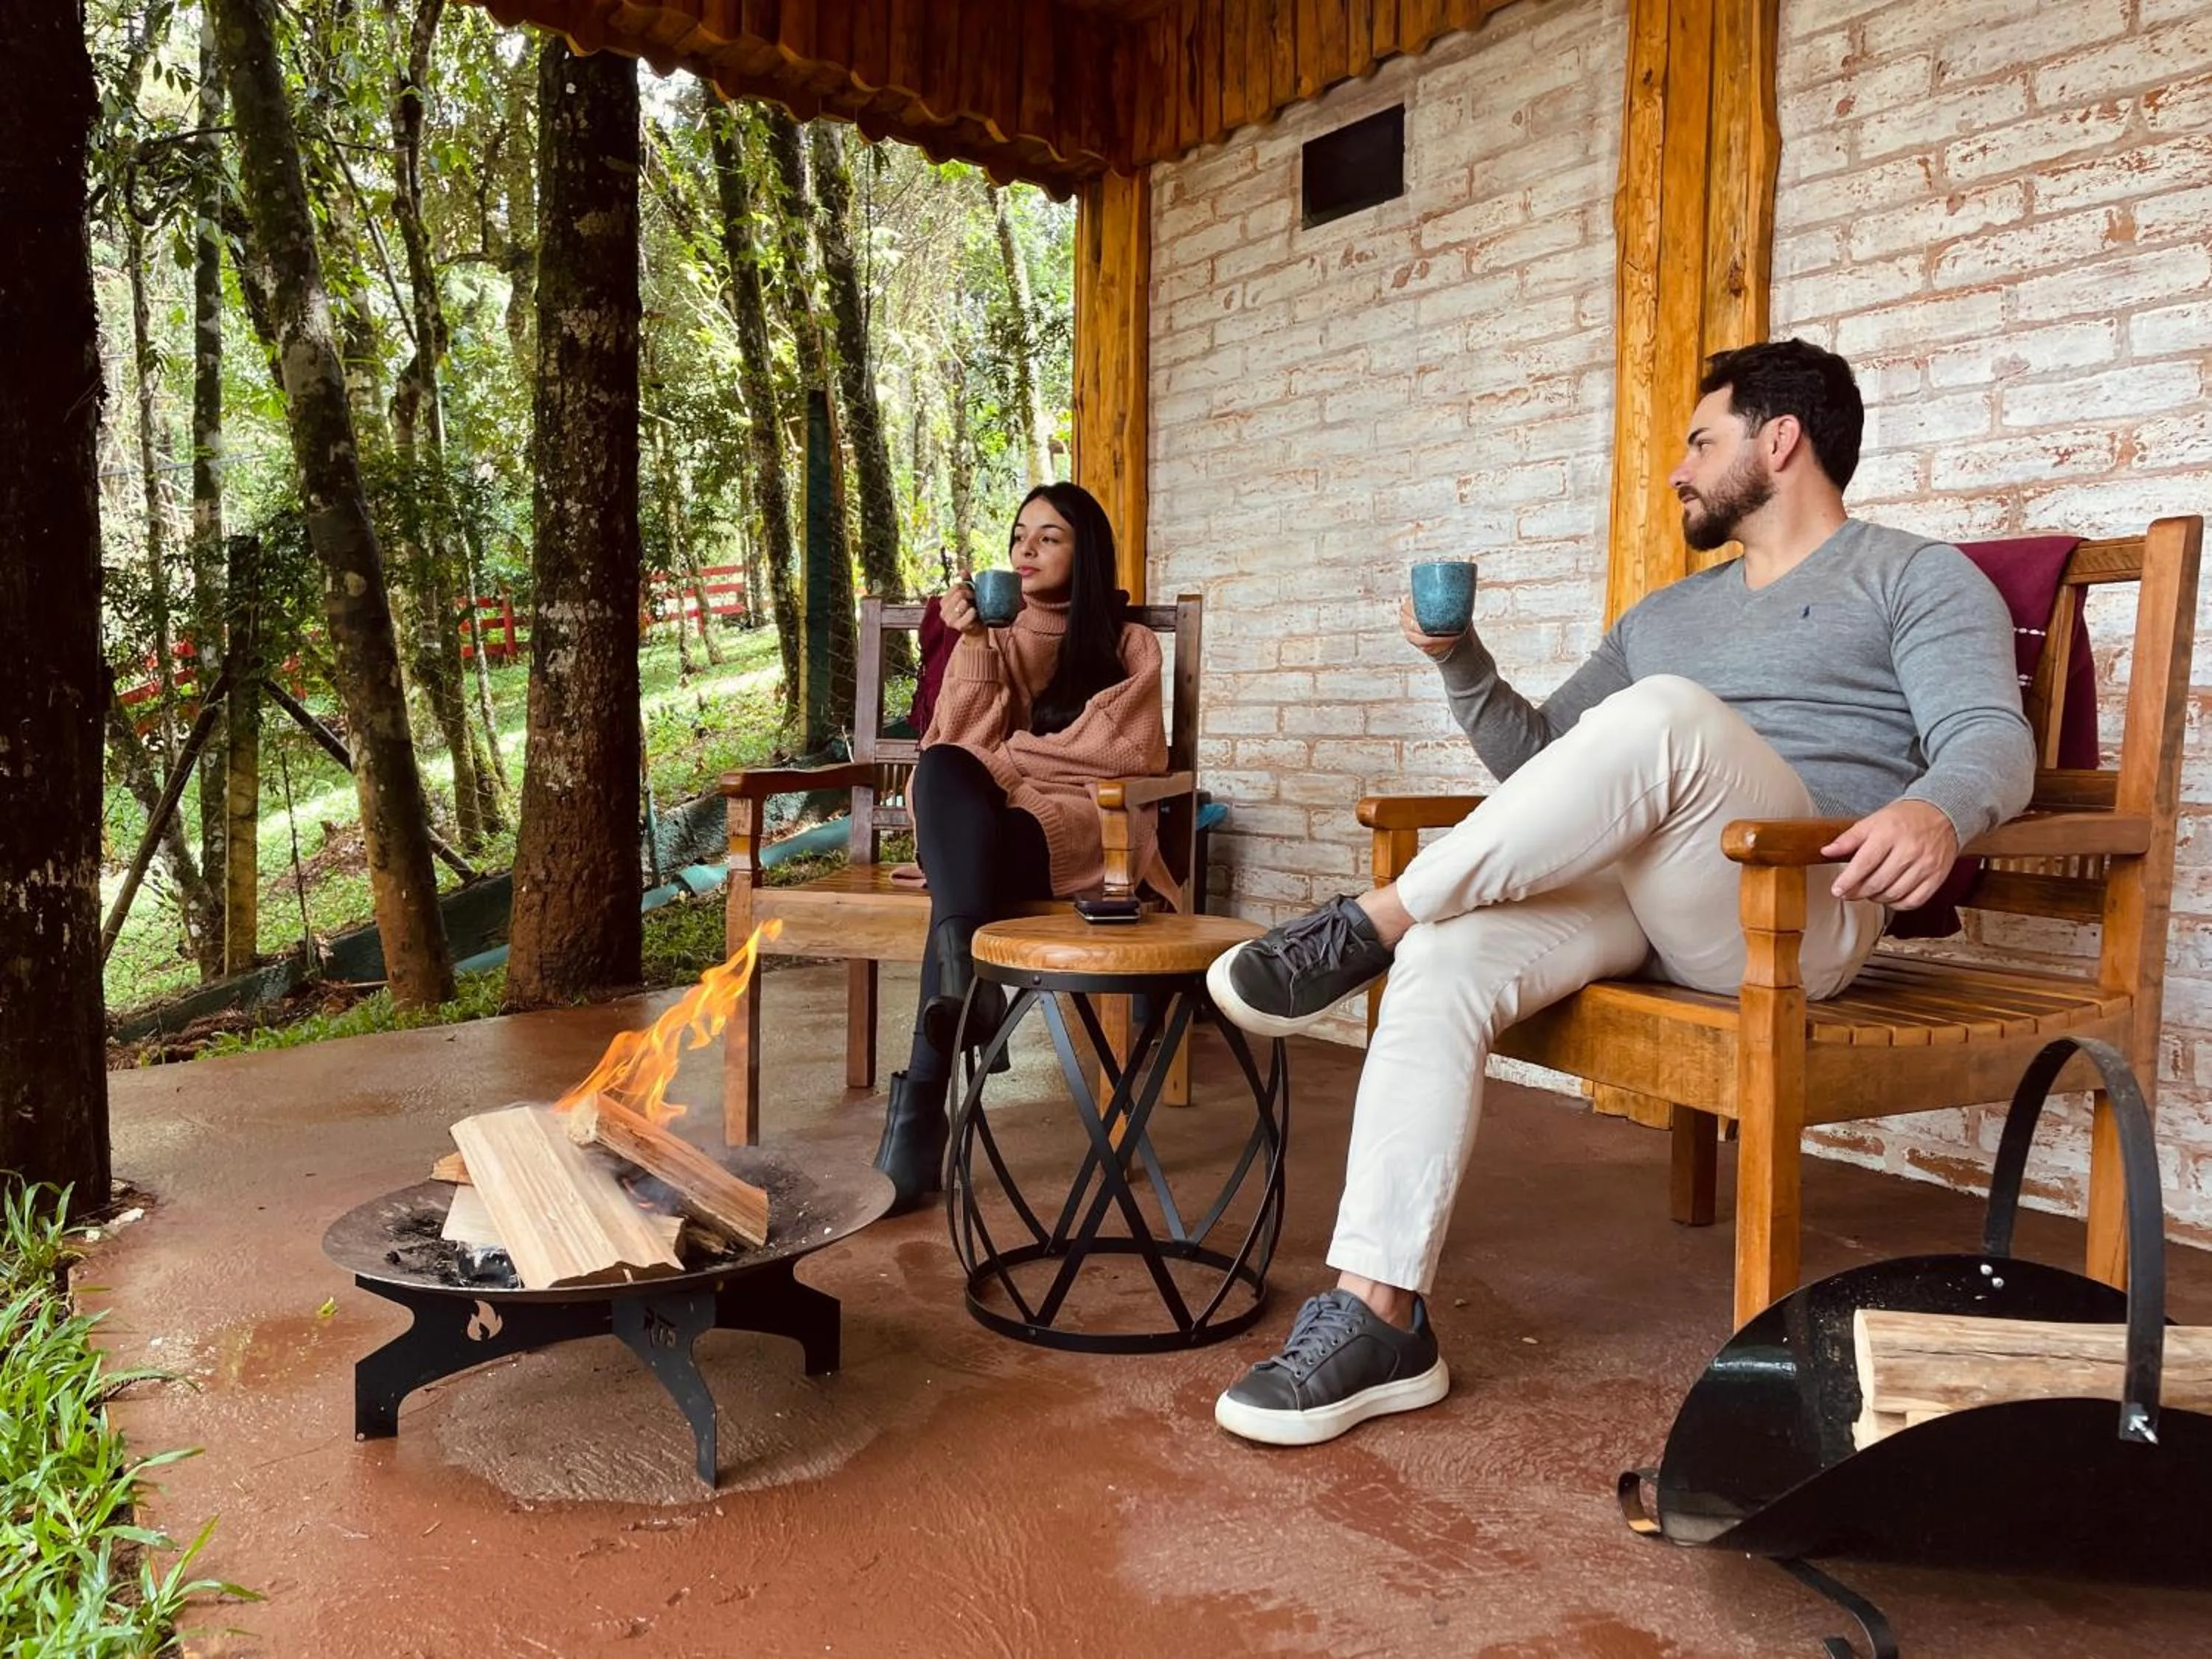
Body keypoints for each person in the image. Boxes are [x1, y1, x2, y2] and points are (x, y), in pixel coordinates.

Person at [1203, 338, 2037, 1447]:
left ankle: (1374, 919)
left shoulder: (1916, 575)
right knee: (1448, 962)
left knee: (1665, 717)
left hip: (1799, 916)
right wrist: (1460, 656)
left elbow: (1989, 737)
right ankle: (1380, 1316)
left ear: (1779, 439)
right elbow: (1546, 763)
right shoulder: (1665, 616)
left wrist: (1940, 810)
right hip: (1654, 897)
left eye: (1702, 439)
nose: (1680, 469)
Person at [873, 482, 1169, 1213]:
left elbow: (1119, 755)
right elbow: (952, 746)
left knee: (963, 807)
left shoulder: (1130, 644)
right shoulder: (995, 638)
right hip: (992, 833)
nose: (1027, 549)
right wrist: (974, 645)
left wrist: (994, 780)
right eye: (1018, 536)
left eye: (1050, 537)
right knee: (940, 765)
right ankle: (963, 993)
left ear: (1086, 551)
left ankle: (918, 1121)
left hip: (1078, 833)